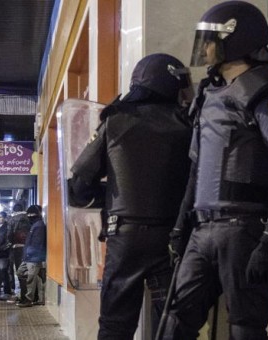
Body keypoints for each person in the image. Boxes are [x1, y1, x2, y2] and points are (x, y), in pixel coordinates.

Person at [163, 2, 268, 339]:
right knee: (177, 317)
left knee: (245, 324)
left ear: (237, 39)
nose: (204, 48)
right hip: (203, 230)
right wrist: (179, 226)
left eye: (211, 39)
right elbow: (197, 168)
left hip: (245, 227)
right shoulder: (208, 93)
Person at [67, 53, 193, 338]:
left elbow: (80, 185)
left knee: (115, 325)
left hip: (125, 236)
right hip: (173, 238)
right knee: (170, 325)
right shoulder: (187, 123)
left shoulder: (115, 119)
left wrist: (109, 194)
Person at [16, 205, 47, 308]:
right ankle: (34, 297)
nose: (28, 217)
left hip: (33, 258)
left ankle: (29, 299)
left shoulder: (38, 226)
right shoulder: (35, 225)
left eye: (29, 215)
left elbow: (36, 243)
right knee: (21, 272)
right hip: (29, 257)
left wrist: (28, 254)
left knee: (31, 279)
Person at [7, 203, 30, 294]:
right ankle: (31, 294)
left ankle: (23, 294)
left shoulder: (12, 220)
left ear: (14, 210)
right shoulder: (28, 218)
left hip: (17, 248)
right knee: (29, 271)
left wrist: (11, 243)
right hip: (29, 247)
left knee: (20, 270)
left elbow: (9, 234)